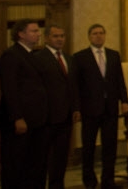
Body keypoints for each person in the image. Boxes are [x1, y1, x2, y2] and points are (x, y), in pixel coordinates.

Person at [74, 24, 128, 189]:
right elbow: (76, 86)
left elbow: (120, 81)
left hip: (110, 109)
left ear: (105, 35)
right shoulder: (80, 57)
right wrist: (76, 108)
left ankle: (108, 181)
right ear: (89, 36)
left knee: (110, 148)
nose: (98, 36)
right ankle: (90, 182)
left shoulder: (113, 55)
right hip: (89, 110)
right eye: (94, 33)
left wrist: (125, 102)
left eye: (101, 33)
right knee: (89, 148)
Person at [0, 19, 49, 188]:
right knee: (16, 167)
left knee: (35, 166)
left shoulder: (31, 55)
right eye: (34, 31)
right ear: (21, 34)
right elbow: (9, 90)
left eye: (38, 31)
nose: (38, 34)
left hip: (37, 121)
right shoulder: (11, 55)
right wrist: (17, 117)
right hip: (21, 122)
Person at [36, 24, 80, 189]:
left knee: (61, 158)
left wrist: (76, 108)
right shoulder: (38, 58)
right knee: (43, 158)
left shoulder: (69, 59)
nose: (60, 39)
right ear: (47, 38)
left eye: (62, 36)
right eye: (56, 36)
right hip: (46, 118)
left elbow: (74, 86)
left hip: (66, 117)